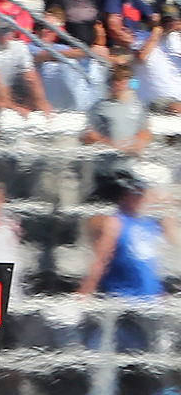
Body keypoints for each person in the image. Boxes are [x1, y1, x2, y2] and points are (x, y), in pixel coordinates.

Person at [79, 170, 166, 300]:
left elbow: (149, 266)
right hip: (123, 300)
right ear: (124, 195)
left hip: (150, 301)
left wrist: (161, 294)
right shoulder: (115, 222)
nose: (141, 198)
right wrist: (84, 294)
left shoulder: (146, 224)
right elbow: (101, 261)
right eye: (136, 193)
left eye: (142, 193)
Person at [85, 65, 151, 155]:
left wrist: (137, 146)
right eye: (117, 80)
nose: (121, 84)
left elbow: (145, 132)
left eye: (125, 80)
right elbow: (89, 136)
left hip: (131, 159)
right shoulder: (99, 108)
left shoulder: (138, 107)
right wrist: (115, 147)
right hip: (107, 158)